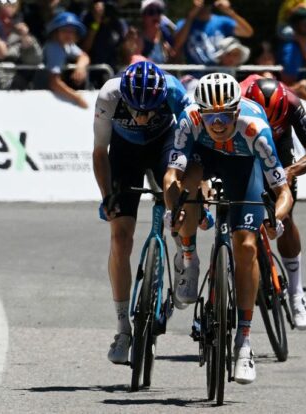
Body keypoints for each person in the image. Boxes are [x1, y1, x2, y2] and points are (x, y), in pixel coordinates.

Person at [164, 73, 293, 384]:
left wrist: (275, 219)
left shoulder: (256, 130)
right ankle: (189, 257)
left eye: (224, 116)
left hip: (244, 164)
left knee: (246, 245)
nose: (218, 123)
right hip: (204, 157)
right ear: (201, 112)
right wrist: (174, 208)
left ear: (237, 111)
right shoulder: (189, 120)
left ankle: (244, 342)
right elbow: (171, 177)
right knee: (190, 182)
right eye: (211, 116)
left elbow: (283, 192)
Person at [93, 61, 191, 365]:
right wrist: (107, 196)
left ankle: (183, 254)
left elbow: (193, 140)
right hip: (126, 152)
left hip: (166, 144)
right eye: (137, 110)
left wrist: (192, 193)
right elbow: (100, 152)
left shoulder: (174, 91)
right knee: (120, 238)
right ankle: (123, 329)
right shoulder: (109, 95)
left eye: (150, 110)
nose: (143, 116)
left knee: (176, 201)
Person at [241, 75, 306, 329]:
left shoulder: (291, 102)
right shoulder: (239, 98)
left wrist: (292, 171)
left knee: (285, 217)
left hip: (279, 149)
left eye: (273, 121)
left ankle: (296, 293)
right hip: (243, 144)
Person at [35, 12, 90, 108]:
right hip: (41, 94)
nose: (69, 34)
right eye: (64, 30)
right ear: (56, 32)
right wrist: (77, 98)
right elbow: (54, 82)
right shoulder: (54, 48)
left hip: (51, 94)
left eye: (72, 31)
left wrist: (80, 67)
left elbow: (84, 56)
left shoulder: (67, 44)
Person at [173, 0, 253, 65]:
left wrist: (230, 12)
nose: (205, 4)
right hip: (194, 76)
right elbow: (176, 45)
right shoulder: (184, 23)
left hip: (220, 72)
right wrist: (190, 16)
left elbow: (247, 33)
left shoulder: (222, 22)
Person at [0, 1, 42, 90]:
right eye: (2, 17)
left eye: (9, 18)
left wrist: (25, 36)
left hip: (14, 89)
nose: (6, 21)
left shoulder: (20, 38)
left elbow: (35, 60)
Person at [81, 0, 128, 88]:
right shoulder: (87, 18)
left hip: (113, 74)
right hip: (92, 75)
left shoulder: (119, 23)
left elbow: (124, 52)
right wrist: (96, 22)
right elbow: (85, 47)